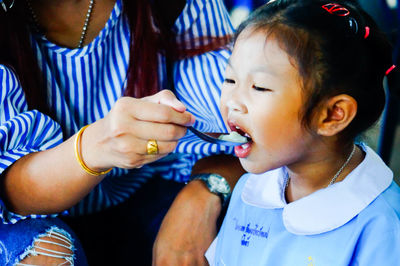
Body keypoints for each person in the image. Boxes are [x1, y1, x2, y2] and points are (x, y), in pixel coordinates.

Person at [0, 0, 244, 265]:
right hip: (30, 217)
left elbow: (250, 133)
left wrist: (203, 194)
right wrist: (97, 146)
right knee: (47, 253)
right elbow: (10, 190)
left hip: (152, 193)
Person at [205, 0, 400, 265]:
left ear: (332, 115)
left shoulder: (383, 227)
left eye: (259, 87)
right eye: (230, 80)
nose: (232, 101)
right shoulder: (248, 190)